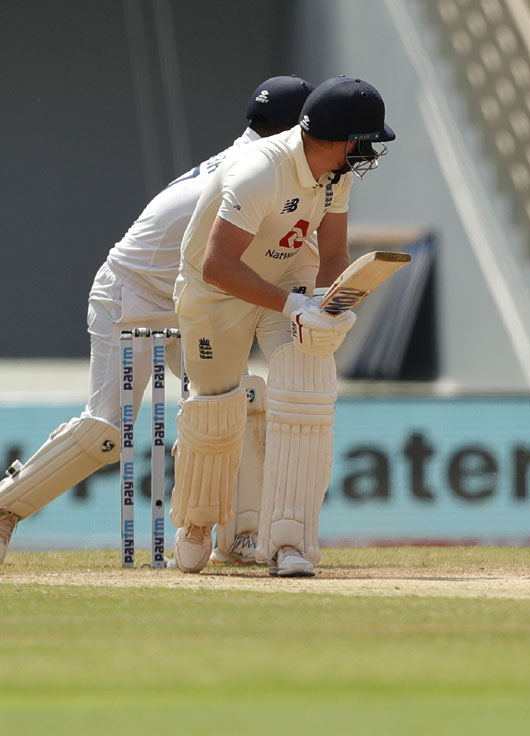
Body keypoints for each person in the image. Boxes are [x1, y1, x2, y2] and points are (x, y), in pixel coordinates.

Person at [0, 76, 313, 566]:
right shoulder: (251, 172)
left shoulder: (261, 166)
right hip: (131, 292)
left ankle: (240, 535)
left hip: (189, 297)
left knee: (236, 399)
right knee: (107, 430)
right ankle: (4, 509)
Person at [170, 76, 394, 577]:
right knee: (215, 414)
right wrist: (294, 306)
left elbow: (334, 253)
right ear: (339, 139)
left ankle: (289, 542)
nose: (369, 151)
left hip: (288, 275)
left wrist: (331, 305)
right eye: (365, 141)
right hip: (215, 293)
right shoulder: (258, 172)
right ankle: (199, 522)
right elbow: (218, 266)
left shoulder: (337, 174)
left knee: (308, 386)